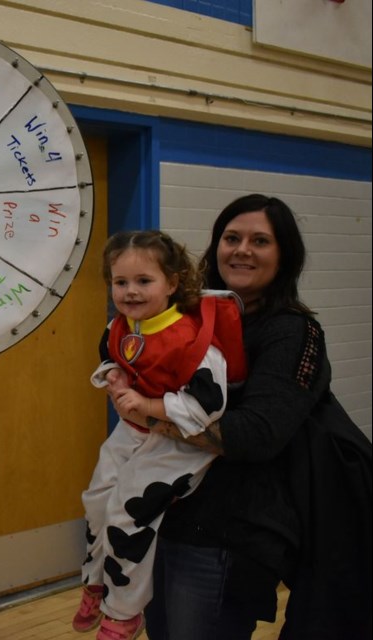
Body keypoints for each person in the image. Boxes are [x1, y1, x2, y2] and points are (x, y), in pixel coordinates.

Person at [107, 195, 372, 640]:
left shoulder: (291, 330)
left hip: (227, 533)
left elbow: (254, 436)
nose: (242, 249)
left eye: (260, 241)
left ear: (283, 255)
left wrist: (151, 416)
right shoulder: (184, 319)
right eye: (232, 238)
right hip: (164, 516)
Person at [73, 230, 247, 640]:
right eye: (120, 282)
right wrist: (113, 375)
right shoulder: (122, 325)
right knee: (97, 502)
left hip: (178, 444)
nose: (130, 291)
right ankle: (96, 581)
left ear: (172, 283)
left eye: (143, 281)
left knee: (127, 515)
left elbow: (209, 406)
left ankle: (124, 612)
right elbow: (112, 357)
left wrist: (148, 406)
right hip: (131, 432)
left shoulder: (191, 339)